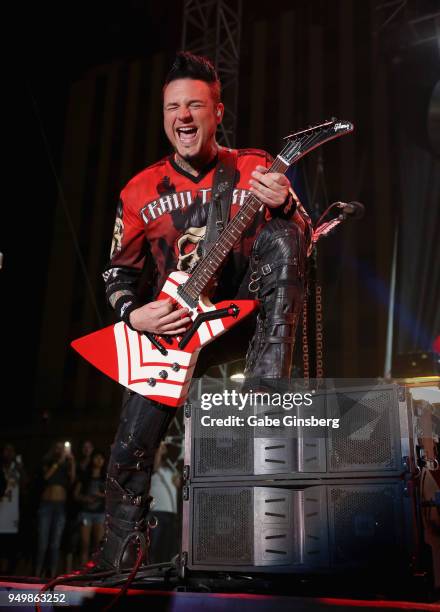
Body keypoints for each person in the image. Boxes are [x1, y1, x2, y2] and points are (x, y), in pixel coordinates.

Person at [95, 51, 310, 573]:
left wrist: (285, 205)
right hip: (174, 329)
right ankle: (118, 561)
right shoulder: (138, 189)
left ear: (218, 111)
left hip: (245, 321)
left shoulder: (254, 165)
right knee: (129, 452)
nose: (183, 117)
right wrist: (133, 315)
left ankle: (264, 399)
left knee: (283, 237)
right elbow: (117, 275)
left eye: (195, 104)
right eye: (173, 107)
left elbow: (303, 239)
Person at [35, 442, 75, 577]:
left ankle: (51, 575)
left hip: (60, 507)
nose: (60, 450)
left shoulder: (66, 464)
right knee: (42, 543)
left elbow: (72, 480)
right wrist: (58, 462)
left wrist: (72, 461)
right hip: (46, 505)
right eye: (57, 447)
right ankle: (37, 574)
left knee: (55, 544)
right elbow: (46, 477)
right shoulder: (48, 461)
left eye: (62, 448)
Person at [148, 442, 181, 564]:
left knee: (168, 546)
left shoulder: (170, 471)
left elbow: (177, 485)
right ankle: (151, 567)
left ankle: (164, 568)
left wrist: (177, 481)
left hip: (171, 513)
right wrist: (159, 448)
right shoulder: (153, 469)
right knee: (155, 545)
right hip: (157, 512)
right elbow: (156, 463)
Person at [74, 450, 106, 566]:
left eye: (101, 458)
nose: (99, 460)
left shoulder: (105, 478)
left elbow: (112, 495)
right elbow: (76, 495)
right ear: (92, 460)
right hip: (85, 513)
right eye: (97, 457)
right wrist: (85, 498)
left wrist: (100, 495)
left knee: (98, 545)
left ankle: (94, 571)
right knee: (85, 544)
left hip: (100, 514)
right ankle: (83, 573)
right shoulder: (85, 476)